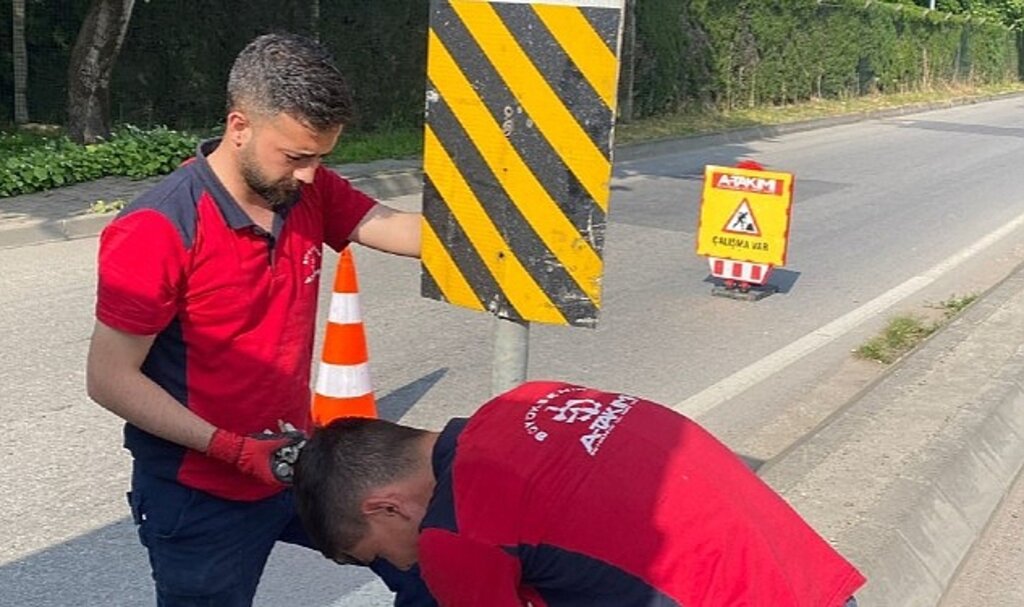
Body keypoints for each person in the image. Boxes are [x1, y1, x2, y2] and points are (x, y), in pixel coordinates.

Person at [86, 33, 435, 606]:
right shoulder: (157, 228)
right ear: (239, 126)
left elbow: (390, 225)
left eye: (321, 157)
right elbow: (110, 378)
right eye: (296, 156)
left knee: (435, 569)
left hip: (295, 462)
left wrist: (493, 228)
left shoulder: (306, 190)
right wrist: (233, 450)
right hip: (200, 491)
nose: (307, 174)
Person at [294, 381, 867, 606]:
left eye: (379, 552)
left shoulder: (453, 533)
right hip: (809, 583)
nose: (402, 564)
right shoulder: (533, 399)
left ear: (386, 507)